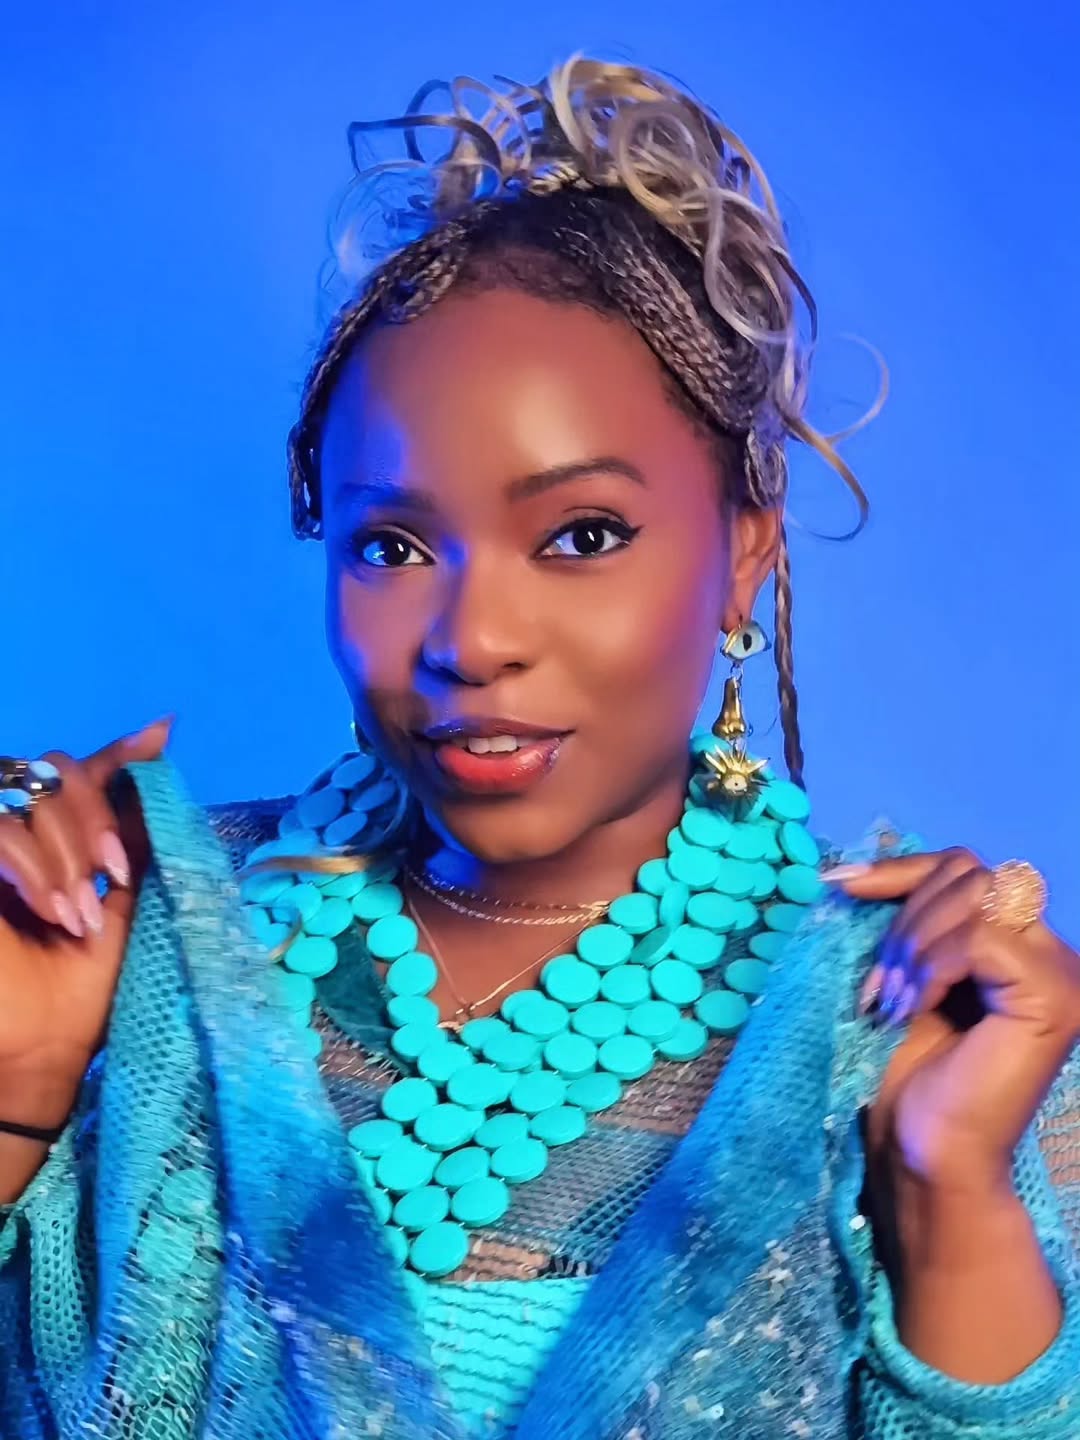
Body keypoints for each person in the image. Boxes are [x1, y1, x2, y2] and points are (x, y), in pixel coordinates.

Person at [1, 55, 1078, 1440]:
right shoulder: (132, 942)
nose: (473, 637)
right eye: (391, 545)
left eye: (581, 536)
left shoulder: (910, 1033)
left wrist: (946, 1199)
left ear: (746, 554)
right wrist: (25, 1087)